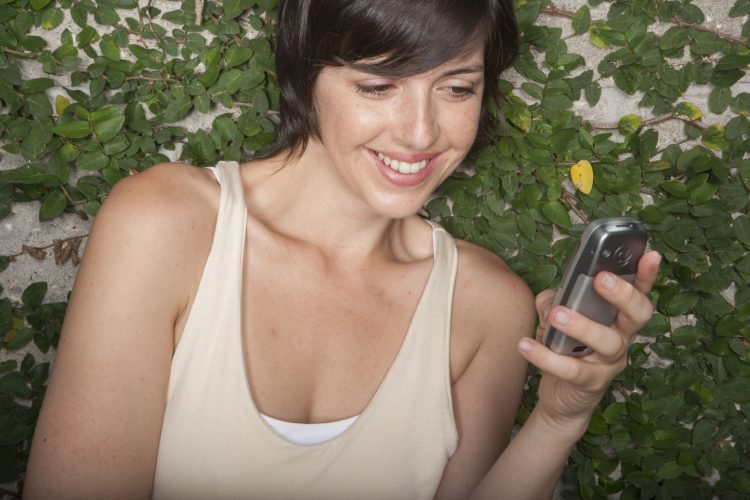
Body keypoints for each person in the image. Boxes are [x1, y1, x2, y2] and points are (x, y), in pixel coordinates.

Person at [23, 0, 661, 498]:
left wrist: (558, 420)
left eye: (457, 88)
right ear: (306, 75)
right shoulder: (167, 226)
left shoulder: (487, 304)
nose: (419, 134)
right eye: (377, 87)